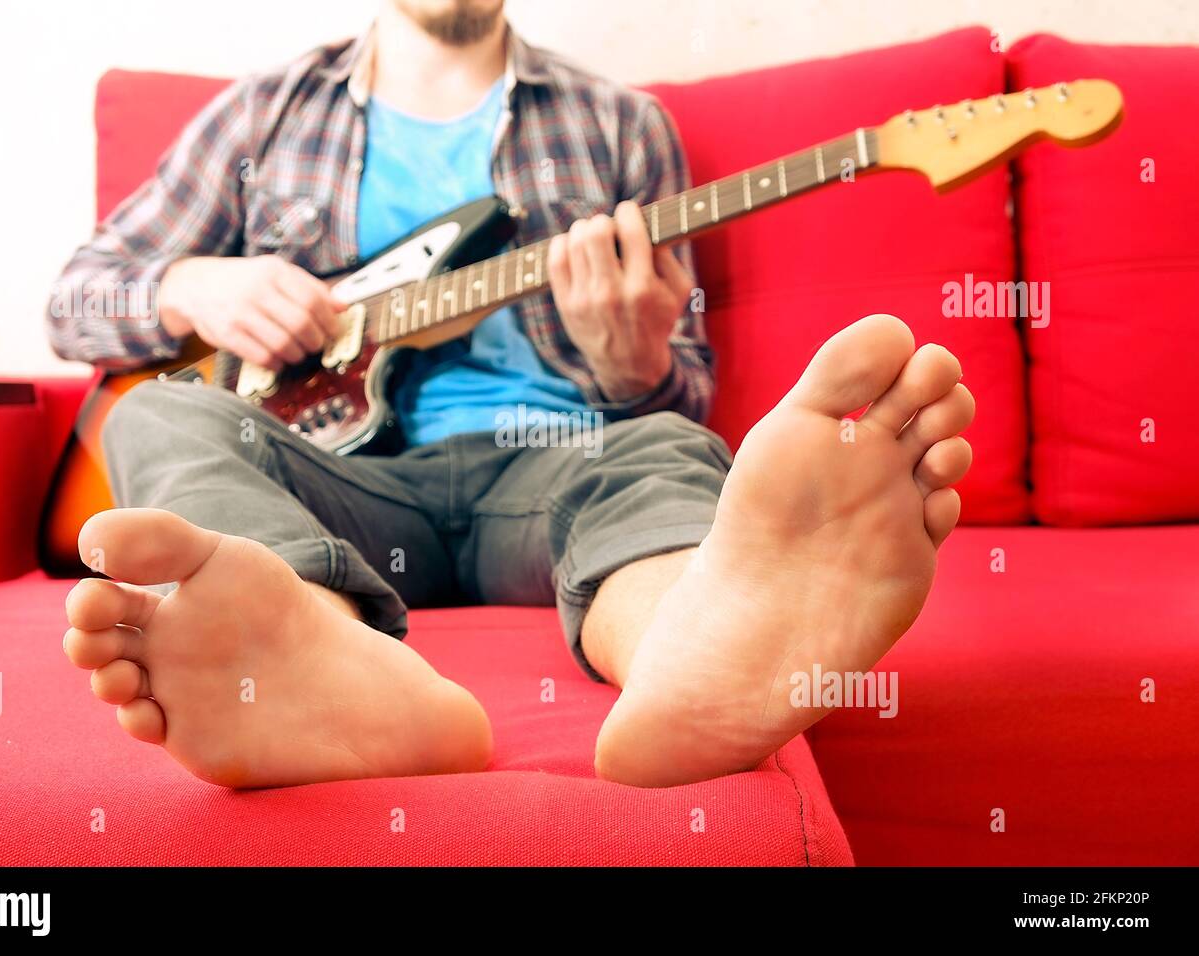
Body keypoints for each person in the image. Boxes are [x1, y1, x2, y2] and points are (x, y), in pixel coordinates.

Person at [52, 0, 974, 789]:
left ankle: (691, 653)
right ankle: (311, 651)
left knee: (658, 445)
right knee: (160, 412)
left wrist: (634, 361)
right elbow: (75, 298)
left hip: (558, 465)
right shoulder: (264, 116)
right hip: (335, 481)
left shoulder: (619, 125)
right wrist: (193, 286)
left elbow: (678, 390)